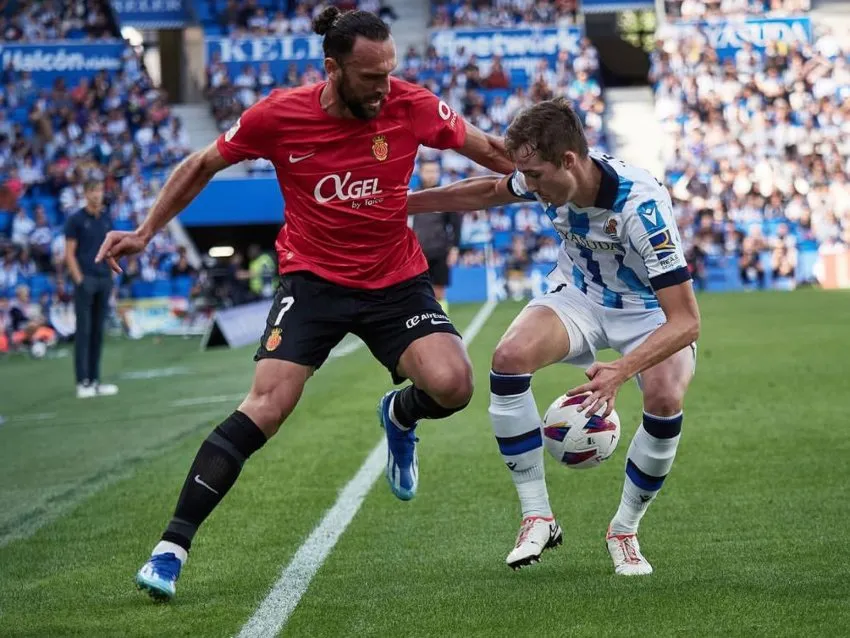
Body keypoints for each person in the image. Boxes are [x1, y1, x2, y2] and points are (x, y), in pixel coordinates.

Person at [96, 7, 513, 601]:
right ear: (332, 69)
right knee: (267, 406)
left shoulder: (411, 104)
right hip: (312, 282)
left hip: (395, 280)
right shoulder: (278, 116)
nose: (384, 87)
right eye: (371, 76)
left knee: (454, 385)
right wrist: (145, 232)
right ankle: (171, 548)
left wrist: (568, 179)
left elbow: (491, 149)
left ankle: (400, 415)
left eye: (390, 72)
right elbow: (203, 163)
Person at [407, 98, 700, 575]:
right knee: (509, 356)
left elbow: (686, 321)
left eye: (536, 175)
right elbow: (485, 192)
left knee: (665, 397)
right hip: (581, 295)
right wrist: (404, 204)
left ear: (568, 160)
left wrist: (621, 371)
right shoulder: (543, 179)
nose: (530, 186)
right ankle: (538, 517)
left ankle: (624, 531)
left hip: (646, 311)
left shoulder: (640, 208)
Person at [65, 180, 119, 399]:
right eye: (93, 191)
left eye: (99, 190)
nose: (97, 195)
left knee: (98, 331)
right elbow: (69, 253)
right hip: (86, 279)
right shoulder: (75, 220)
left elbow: (112, 249)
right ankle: (82, 382)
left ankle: (95, 380)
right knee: (84, 331)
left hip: (104, 278)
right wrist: (79, 279)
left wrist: (112, 275)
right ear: (85, 194)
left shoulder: (106, 218)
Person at [411, 160, 461, 312]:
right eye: (428, 171)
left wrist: (454, 248)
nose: (431, 175)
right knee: (417, 292)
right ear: (420, 173)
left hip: (440, 251)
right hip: (417, 253)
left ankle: (442, 321)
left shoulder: (445, 196)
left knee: (439, 291)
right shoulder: (412, 196)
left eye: (434, 171)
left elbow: (455, 224)